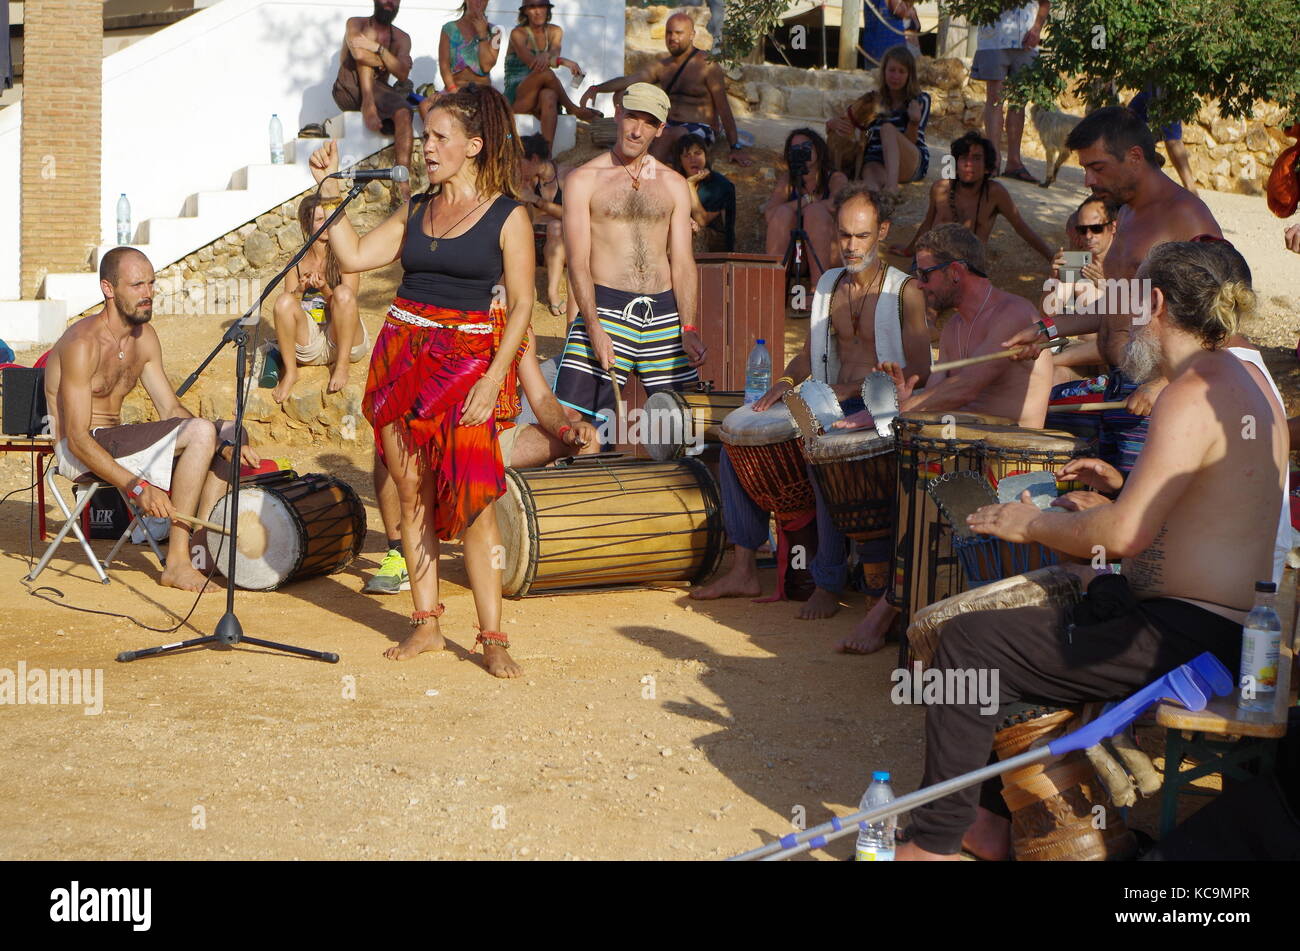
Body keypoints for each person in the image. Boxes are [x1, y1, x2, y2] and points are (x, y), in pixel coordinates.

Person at [897, 240, 1287, 861]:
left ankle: (935, 843)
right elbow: (1199, 511)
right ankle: (993, 823)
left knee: (971, 644)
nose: (1121, 319)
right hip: (1206, 625)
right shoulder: (1238, 381)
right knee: (1055, 607)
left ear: (1155, 303)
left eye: (1131, 302)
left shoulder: (1192, 392)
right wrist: (1117, 493)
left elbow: (1125, 535)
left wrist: (1030, 523)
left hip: (1187, 635)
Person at [308, 85, 532, 677]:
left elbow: (526, 305)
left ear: (475, 145)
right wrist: (330, 190)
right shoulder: (417, 208)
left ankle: (491, 635)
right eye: (425, 137)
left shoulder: (510, 215)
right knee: (412, 498)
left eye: (439, 138)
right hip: (400, 359)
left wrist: (492, 380)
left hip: (466, 365)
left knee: (477, 504)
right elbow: (353, 256)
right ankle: (426, 623)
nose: (426, 148)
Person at [691, 186, 930, 619]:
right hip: (823, 399)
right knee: (737, 443)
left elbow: (920, 372)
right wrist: (784, 381)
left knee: (821, 451)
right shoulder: (827, 283)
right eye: (844, 236)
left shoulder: (904, 291)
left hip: (875, 410)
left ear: (883, 232)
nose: (851, 246)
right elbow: (808, 353)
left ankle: (827, 581)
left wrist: (856, 387)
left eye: (861, 236)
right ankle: (744, 567)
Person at [833, 223, 1054, 654]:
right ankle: (896, 601)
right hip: (969, 451)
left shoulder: (1014, 313)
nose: (918, 282)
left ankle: (891, 606)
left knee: (925, 480)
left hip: (1017, 459)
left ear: (957, 272)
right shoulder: (953, 330)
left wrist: (899, 410)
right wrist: (904, 398)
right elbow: (941, 396)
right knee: (915, 467)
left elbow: (967, 388)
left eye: (925, 272)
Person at [1002, 106, 1221, 476]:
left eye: (1097, 167)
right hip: (1120, 386)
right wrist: (1046, 331)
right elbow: (1118, 304)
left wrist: (1161, 383)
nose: (1087, 179)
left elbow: (1219, 318)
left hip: (1159, 397)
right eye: (1085, 168)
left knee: (1142, 523)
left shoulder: (1186, 216)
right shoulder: (1128, 214)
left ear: (1135, 157)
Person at [44, 247, 260, 593]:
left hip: (118, 441)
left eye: (151, 283)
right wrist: (138, 487)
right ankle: (176, 563)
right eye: (136, 285)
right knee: (202, 432)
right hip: (80, 449)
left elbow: (171, 410)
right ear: (108, 289)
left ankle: (200, 550)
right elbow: (78, 437)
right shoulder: (82, 343)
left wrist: (226, 447)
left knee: (232, 431)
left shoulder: (144, 339)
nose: (148, 293)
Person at [364, 336, 600, 594]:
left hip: (496, 435)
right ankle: (400, 554)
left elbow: (542, 397)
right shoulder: (442, 313)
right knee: (389, 440)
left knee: (585, 440)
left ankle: (562, 549)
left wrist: (566, 430)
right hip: (442, 435)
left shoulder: (519, 328)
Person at [552, 83, 707, 445]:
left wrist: (689, 327)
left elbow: (683, 262)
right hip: (605, 307)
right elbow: (577, 260)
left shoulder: (673, 184)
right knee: (573, 422)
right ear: (618, 113)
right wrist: (591, 325)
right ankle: (580, 494)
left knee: (684, 429)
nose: (637, 130)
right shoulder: (582, 180)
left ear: (660, 129)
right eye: (631, 117)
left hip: (664, 314)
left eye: (648, 122)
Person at [578, 13, 753, 168]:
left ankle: (644, 177)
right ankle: (628, 155)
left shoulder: (707, 66)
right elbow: (627, 80)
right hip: (668, 125)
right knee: (623, 95)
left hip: (700, 128)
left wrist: (735, 147)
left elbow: (724, 108)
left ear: (692, 35)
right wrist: (596, 88)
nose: (672, 37)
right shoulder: (663, 66)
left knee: (668, 134)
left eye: (678, 33)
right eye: (669, 33)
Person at [889, 131, 1053, 264]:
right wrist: (908, 250)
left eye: (976, 158)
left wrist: (1051, 257)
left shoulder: (994, 193)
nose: (968, 164)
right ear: (956, 164)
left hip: (968, 270)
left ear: (987, 167)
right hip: (932, 264)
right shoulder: (940, 189)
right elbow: (928, 223)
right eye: (964, 158)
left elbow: (1021, 227)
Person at [269, 194, 369, 403]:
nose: (327, 225)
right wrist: (299, 290)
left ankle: (341, 366)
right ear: (307, 225)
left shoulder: (346, 257)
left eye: (330, 219)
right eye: (319, 220)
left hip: (343, 339)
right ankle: (291, 371)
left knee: (342, 293)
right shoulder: (296, 262)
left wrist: (324, 288)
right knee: (283, 300)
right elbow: (287, 311)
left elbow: (348, 304)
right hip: (310, 341)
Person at [333, 0, 416, 202]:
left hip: (379, 90)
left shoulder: (401, 37)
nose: (389, 2)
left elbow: (403, 74)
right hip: (348, 87)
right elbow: (360, 55)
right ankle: (368, 104)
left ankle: (402, 181)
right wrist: (390, 62)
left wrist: (377, 48)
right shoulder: (356, 24)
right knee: (366, 47)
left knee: (405, 112)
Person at [826, 46, 930, 196]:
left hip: (909, 162)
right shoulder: (873, 101)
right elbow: (863, 130)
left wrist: (914, 122)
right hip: (876, 160)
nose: (896, 76)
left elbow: (912, 141)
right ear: (884, 71)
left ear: (909, 75)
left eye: (902, 71)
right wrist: (832, 124)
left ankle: (892, 188)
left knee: (887, 129)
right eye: (892, 70)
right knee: (869, 187)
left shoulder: (919, 100)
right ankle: (875, 208)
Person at [970, 1, 1050, 184]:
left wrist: (1037, 29)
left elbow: (1045, 3)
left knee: (1019, 100)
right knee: (995, 98)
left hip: (1026, 41)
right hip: (994, 37)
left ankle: (1014, 162)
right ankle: (993, 160)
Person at [504, 0, 601, 146]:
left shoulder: (555, 31)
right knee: (546, 74)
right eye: (532, 7)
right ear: (525, 11)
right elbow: (532, 62)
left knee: (549, 95)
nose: (537, 11)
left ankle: (546, 156)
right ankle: (573, 109)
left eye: (541, 6)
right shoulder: (518, 33)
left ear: (548, 9)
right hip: (518, 95)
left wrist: (548, 56)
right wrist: (565, 62)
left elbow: (554, 53)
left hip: (539, 96)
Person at [762, 128, 850, 289]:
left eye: (806, 146)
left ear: (818, 148)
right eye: (795, 149)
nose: (801, 151)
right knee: (782, 213)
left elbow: (837, 205)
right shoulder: (788, 179)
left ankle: (818, 288)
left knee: (814, 212)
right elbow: (770, 215)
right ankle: (774, 287)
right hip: (798, 258)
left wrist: (807, 207)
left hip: (829, 253)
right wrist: (806, 200)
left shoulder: (835, 177)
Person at [516, 133, 572, 318]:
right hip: (533, 242)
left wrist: (536, 200)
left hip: (561, 245)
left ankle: (553, 293)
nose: (517, 167)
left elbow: (571, 216)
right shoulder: (528, 180)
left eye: (519, 162)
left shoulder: (565, 175)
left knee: (555, 226)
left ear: (533, 159)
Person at [672, 132, 736, 252]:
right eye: (687, 155)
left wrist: (690, 185)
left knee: (690, 231)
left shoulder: (719, 184)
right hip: (683, 233)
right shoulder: (675, 180)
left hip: (716, 243)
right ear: (680, 160)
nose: (693, 159)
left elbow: (701, 221)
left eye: (698, 153)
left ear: (706, 156)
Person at [1128, 86, 1197, 194]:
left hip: (1163, 80)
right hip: (1151, 82)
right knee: (1129, 119)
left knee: (1171, 136)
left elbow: (1173, 140)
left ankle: (1192, 192)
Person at [437, 0, 501, 93]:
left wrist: (482, 34)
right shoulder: (448, 29)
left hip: (482, 92)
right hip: (455, 88)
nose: (479, 2)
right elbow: (444, 65)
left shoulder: (496, 32)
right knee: (426, 106)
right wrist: (453, 91)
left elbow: (486, 66)